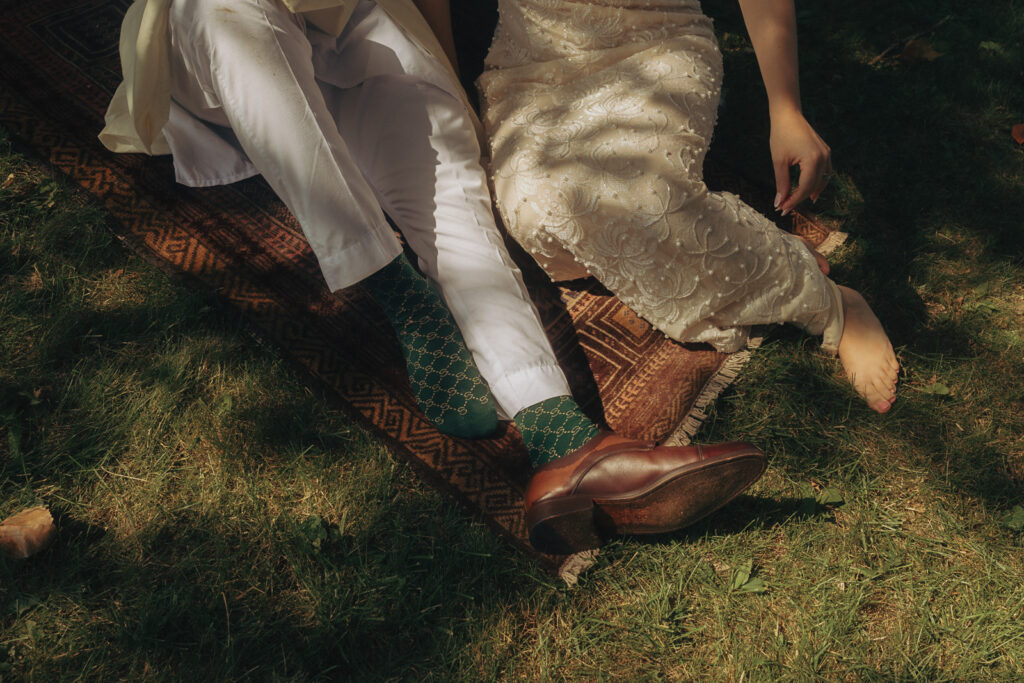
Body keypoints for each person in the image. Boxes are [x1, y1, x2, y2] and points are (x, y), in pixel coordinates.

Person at [98, 0, 767, 555]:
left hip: (357, 27)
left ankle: (564, 439)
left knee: (450, 192)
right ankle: (400, 295)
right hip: (222, 39)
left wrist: (445, 78)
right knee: (229, 13)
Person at [478, 0, 900, 414]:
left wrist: (786, 110)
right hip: (530, 64)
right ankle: (742, 241)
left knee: (638, 203)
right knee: (536, 221)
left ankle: (833, 303)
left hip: (650, 40)